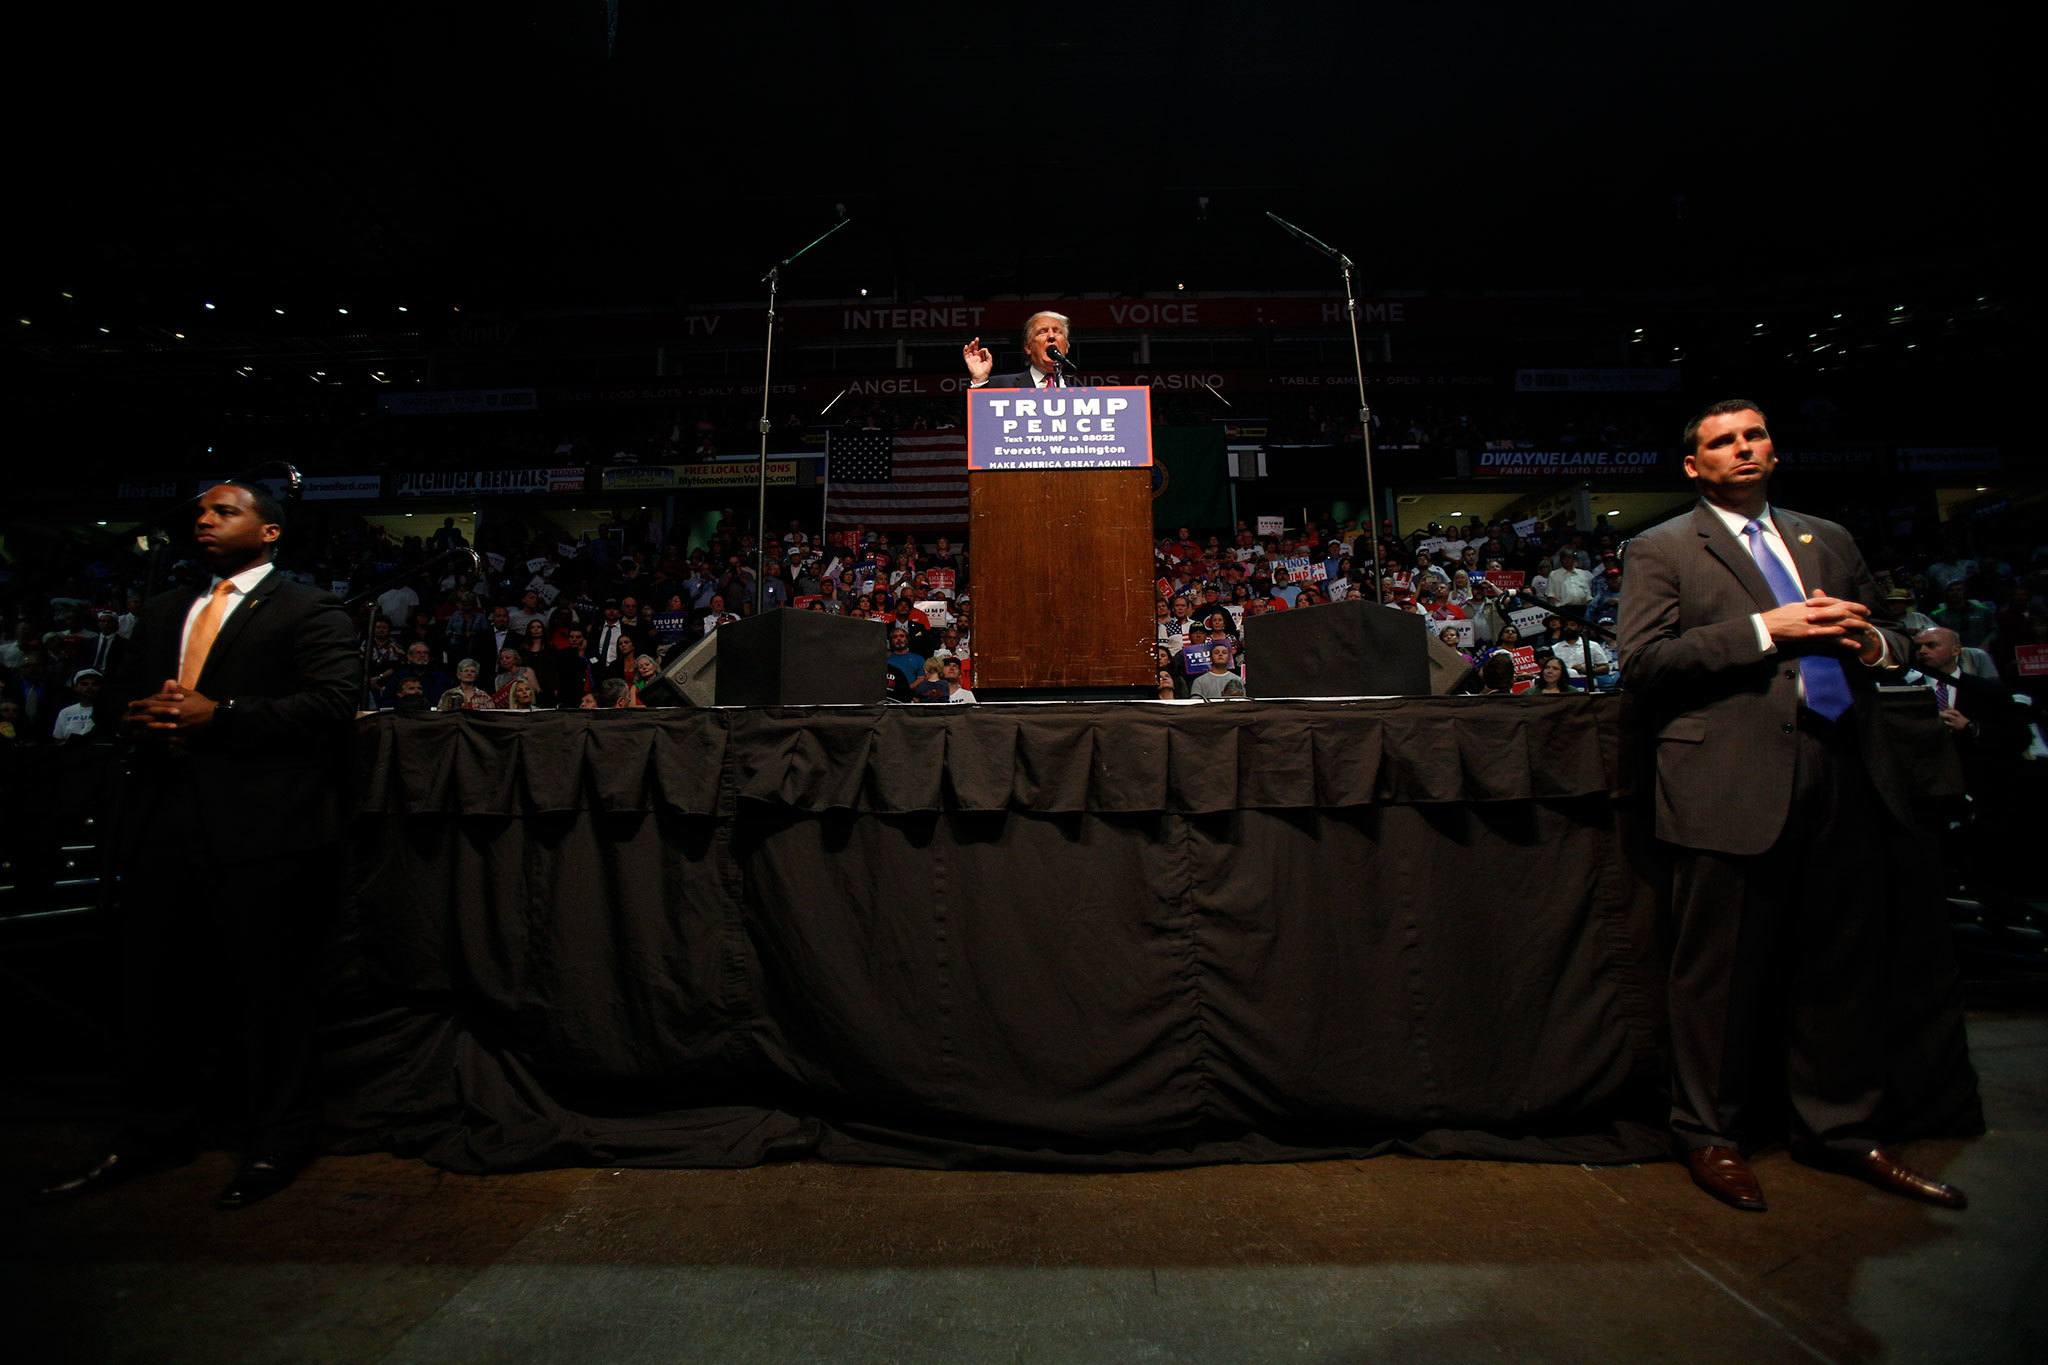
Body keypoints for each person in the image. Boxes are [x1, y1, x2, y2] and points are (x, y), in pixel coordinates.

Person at [1617, 399, 1964, 1213]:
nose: (1743, 448)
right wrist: (1765, 629)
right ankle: (1708, 1131)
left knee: (1839, 965)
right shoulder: (1663, 546)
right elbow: (1645, 660)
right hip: (1731, 780)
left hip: (1843, 766)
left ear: (1773, 449)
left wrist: (1875, 643)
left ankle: (1841, 1129)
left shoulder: (1827, 537)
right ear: (1693, 466)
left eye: (1754, 435)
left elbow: (1896, 635)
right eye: (1721, 442)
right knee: (1718, 974)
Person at [42, 481, 358, 1211]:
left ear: (270, 530)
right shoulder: (162, 611)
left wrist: (225, 715)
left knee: (270, 990)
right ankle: (154, 1130)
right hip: (163, 822)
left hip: (263, 829)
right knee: (157, 986)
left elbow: (333, 703)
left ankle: (277, 1139)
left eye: (226, 510)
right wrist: (138, 715)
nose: (206, 520)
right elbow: (120, 698)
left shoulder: (309, 608)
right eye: (202, 512)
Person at [962, 311, 1078, 389]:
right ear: (1028, 347)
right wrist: (979, 380)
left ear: (1067, 347)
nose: (1051, 336)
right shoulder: (1000, 386)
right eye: (1042, 331)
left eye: (1057, 331)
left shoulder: (1083, 394)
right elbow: (975, 419)